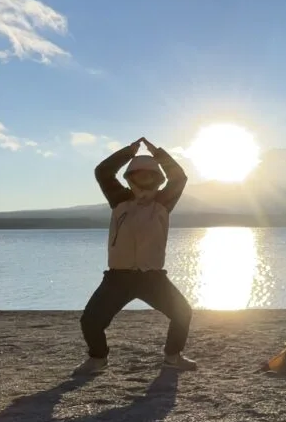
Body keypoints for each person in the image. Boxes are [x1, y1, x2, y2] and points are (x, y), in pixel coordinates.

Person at [74, 137, 196, 375]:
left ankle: (173, 356)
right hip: (118, 278)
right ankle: (98, 359)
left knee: (183, 313)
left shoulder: (163, 201)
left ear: (157, 178)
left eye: (150, 175)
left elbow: (179, 178)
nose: (145, 179)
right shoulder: (119, 199)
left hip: (153, 278)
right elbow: (103, 171)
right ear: (130, 178)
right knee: (90, 321)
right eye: (139, 175)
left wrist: (157, 153)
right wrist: (129, 152)